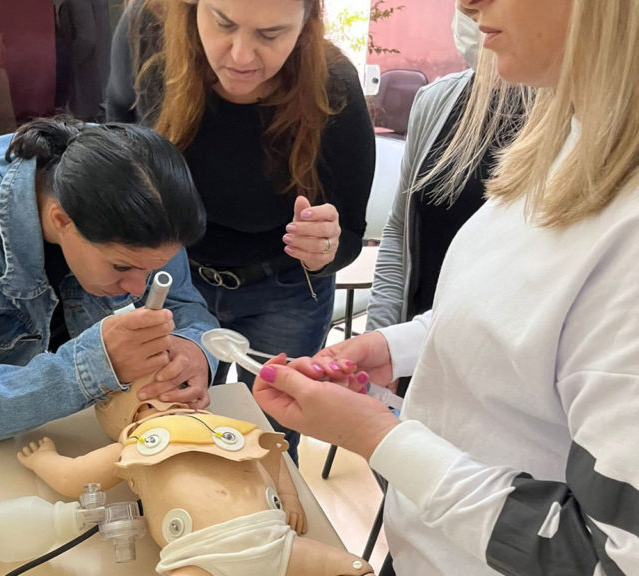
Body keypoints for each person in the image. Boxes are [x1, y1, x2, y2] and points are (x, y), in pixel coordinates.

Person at [252, 0, 639, 574]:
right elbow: (519, 312)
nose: (466, 4)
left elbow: (607, 552)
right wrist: (396, 346)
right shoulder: (563, 145)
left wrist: (378, 436)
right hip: (425, 549)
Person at [0, 116, 219, 505]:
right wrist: (94, 365)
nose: (139, 289)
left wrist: (193, 349)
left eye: (153, 270)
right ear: (61, 220)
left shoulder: (148, 196)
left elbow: (189, 311)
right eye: (122, 267)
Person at [106, 0, 376, 462]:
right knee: (167, 426)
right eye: (222, 23)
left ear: (308, 21)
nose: (241, 56)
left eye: (270, 35)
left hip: (284, 290)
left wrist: (326, 248)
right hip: (173, 282)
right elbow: (111, 147)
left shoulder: (332, 84)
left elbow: (349, 232)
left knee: (271, 437)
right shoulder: (147, 35)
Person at [366, 8, 529, 397]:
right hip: (418, 355)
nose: (472, 9)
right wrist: (385, 338)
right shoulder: (437, 101)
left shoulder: (579, 121)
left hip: (504, 384)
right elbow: (400, 230)